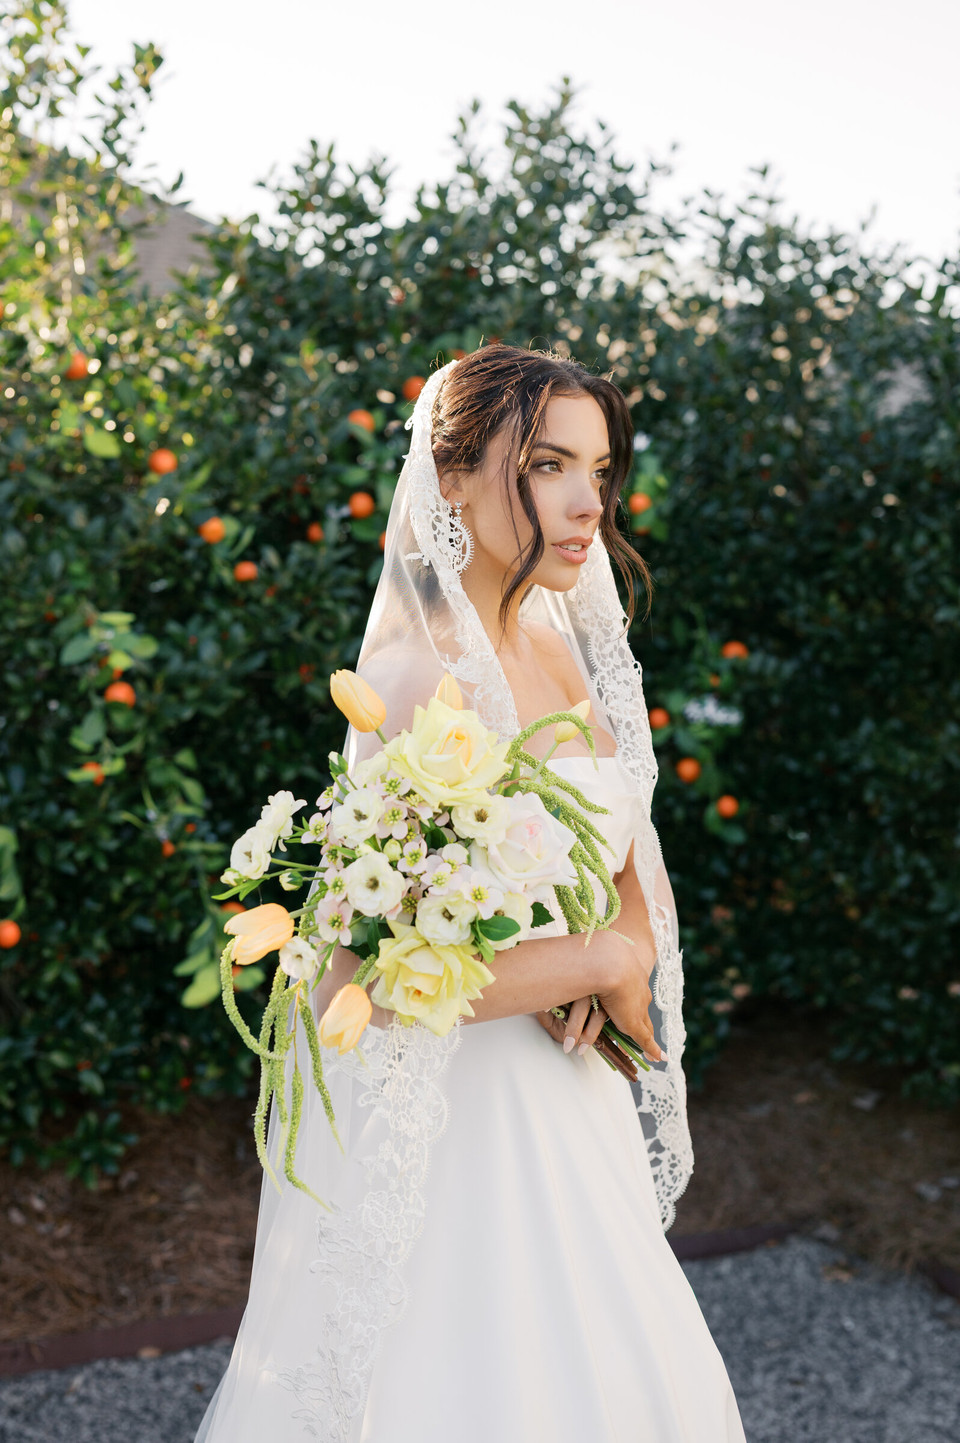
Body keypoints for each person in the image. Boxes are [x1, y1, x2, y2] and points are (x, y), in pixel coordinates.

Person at [195, 344, 747, 1442]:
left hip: (571, 1084)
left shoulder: (555, 642)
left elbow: (624, 821)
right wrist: (597, 962)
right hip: (463, 1118)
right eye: (547, 464)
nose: (588, 502)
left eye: (599, 469)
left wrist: (629, 945)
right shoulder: (413, 682)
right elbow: (370, 981)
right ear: (452, 479)